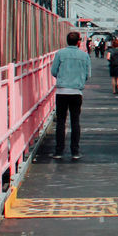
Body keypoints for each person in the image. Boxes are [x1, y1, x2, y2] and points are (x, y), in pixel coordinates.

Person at [50, 30, 91, 160]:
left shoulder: (60, 53)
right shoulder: (84, 56)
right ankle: (75, 151)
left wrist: (62, 78)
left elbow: (53, 71)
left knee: (61, 121)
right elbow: (88, 75)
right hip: (76, 92)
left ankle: (58, 151)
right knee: (75, 121)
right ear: (79, 42)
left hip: (62, 91)